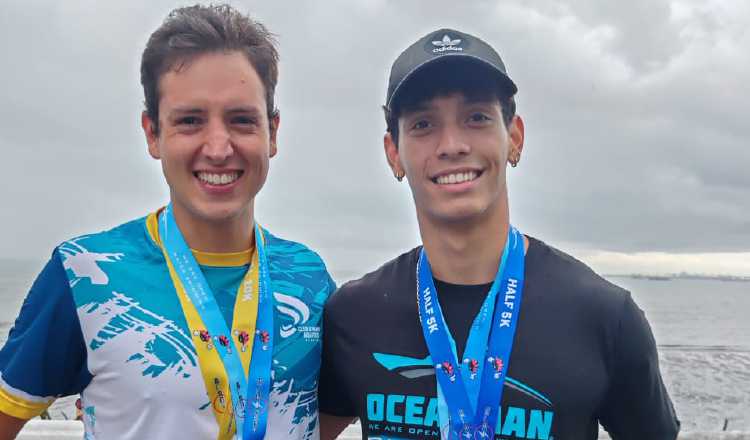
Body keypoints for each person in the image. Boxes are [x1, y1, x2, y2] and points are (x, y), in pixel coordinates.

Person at [318, 28, 679, 439]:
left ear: (515, 137)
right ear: (393, 152)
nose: (452, 144)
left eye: (476, 117)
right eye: (423, 123)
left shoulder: (605, 317)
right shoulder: (353, 315)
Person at [0, 5, 334, 440]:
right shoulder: (86, 272)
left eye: (241, 120)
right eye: (190, 121)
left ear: (273, 132)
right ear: (153, 133)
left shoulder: (310, 279)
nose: (218, 147)